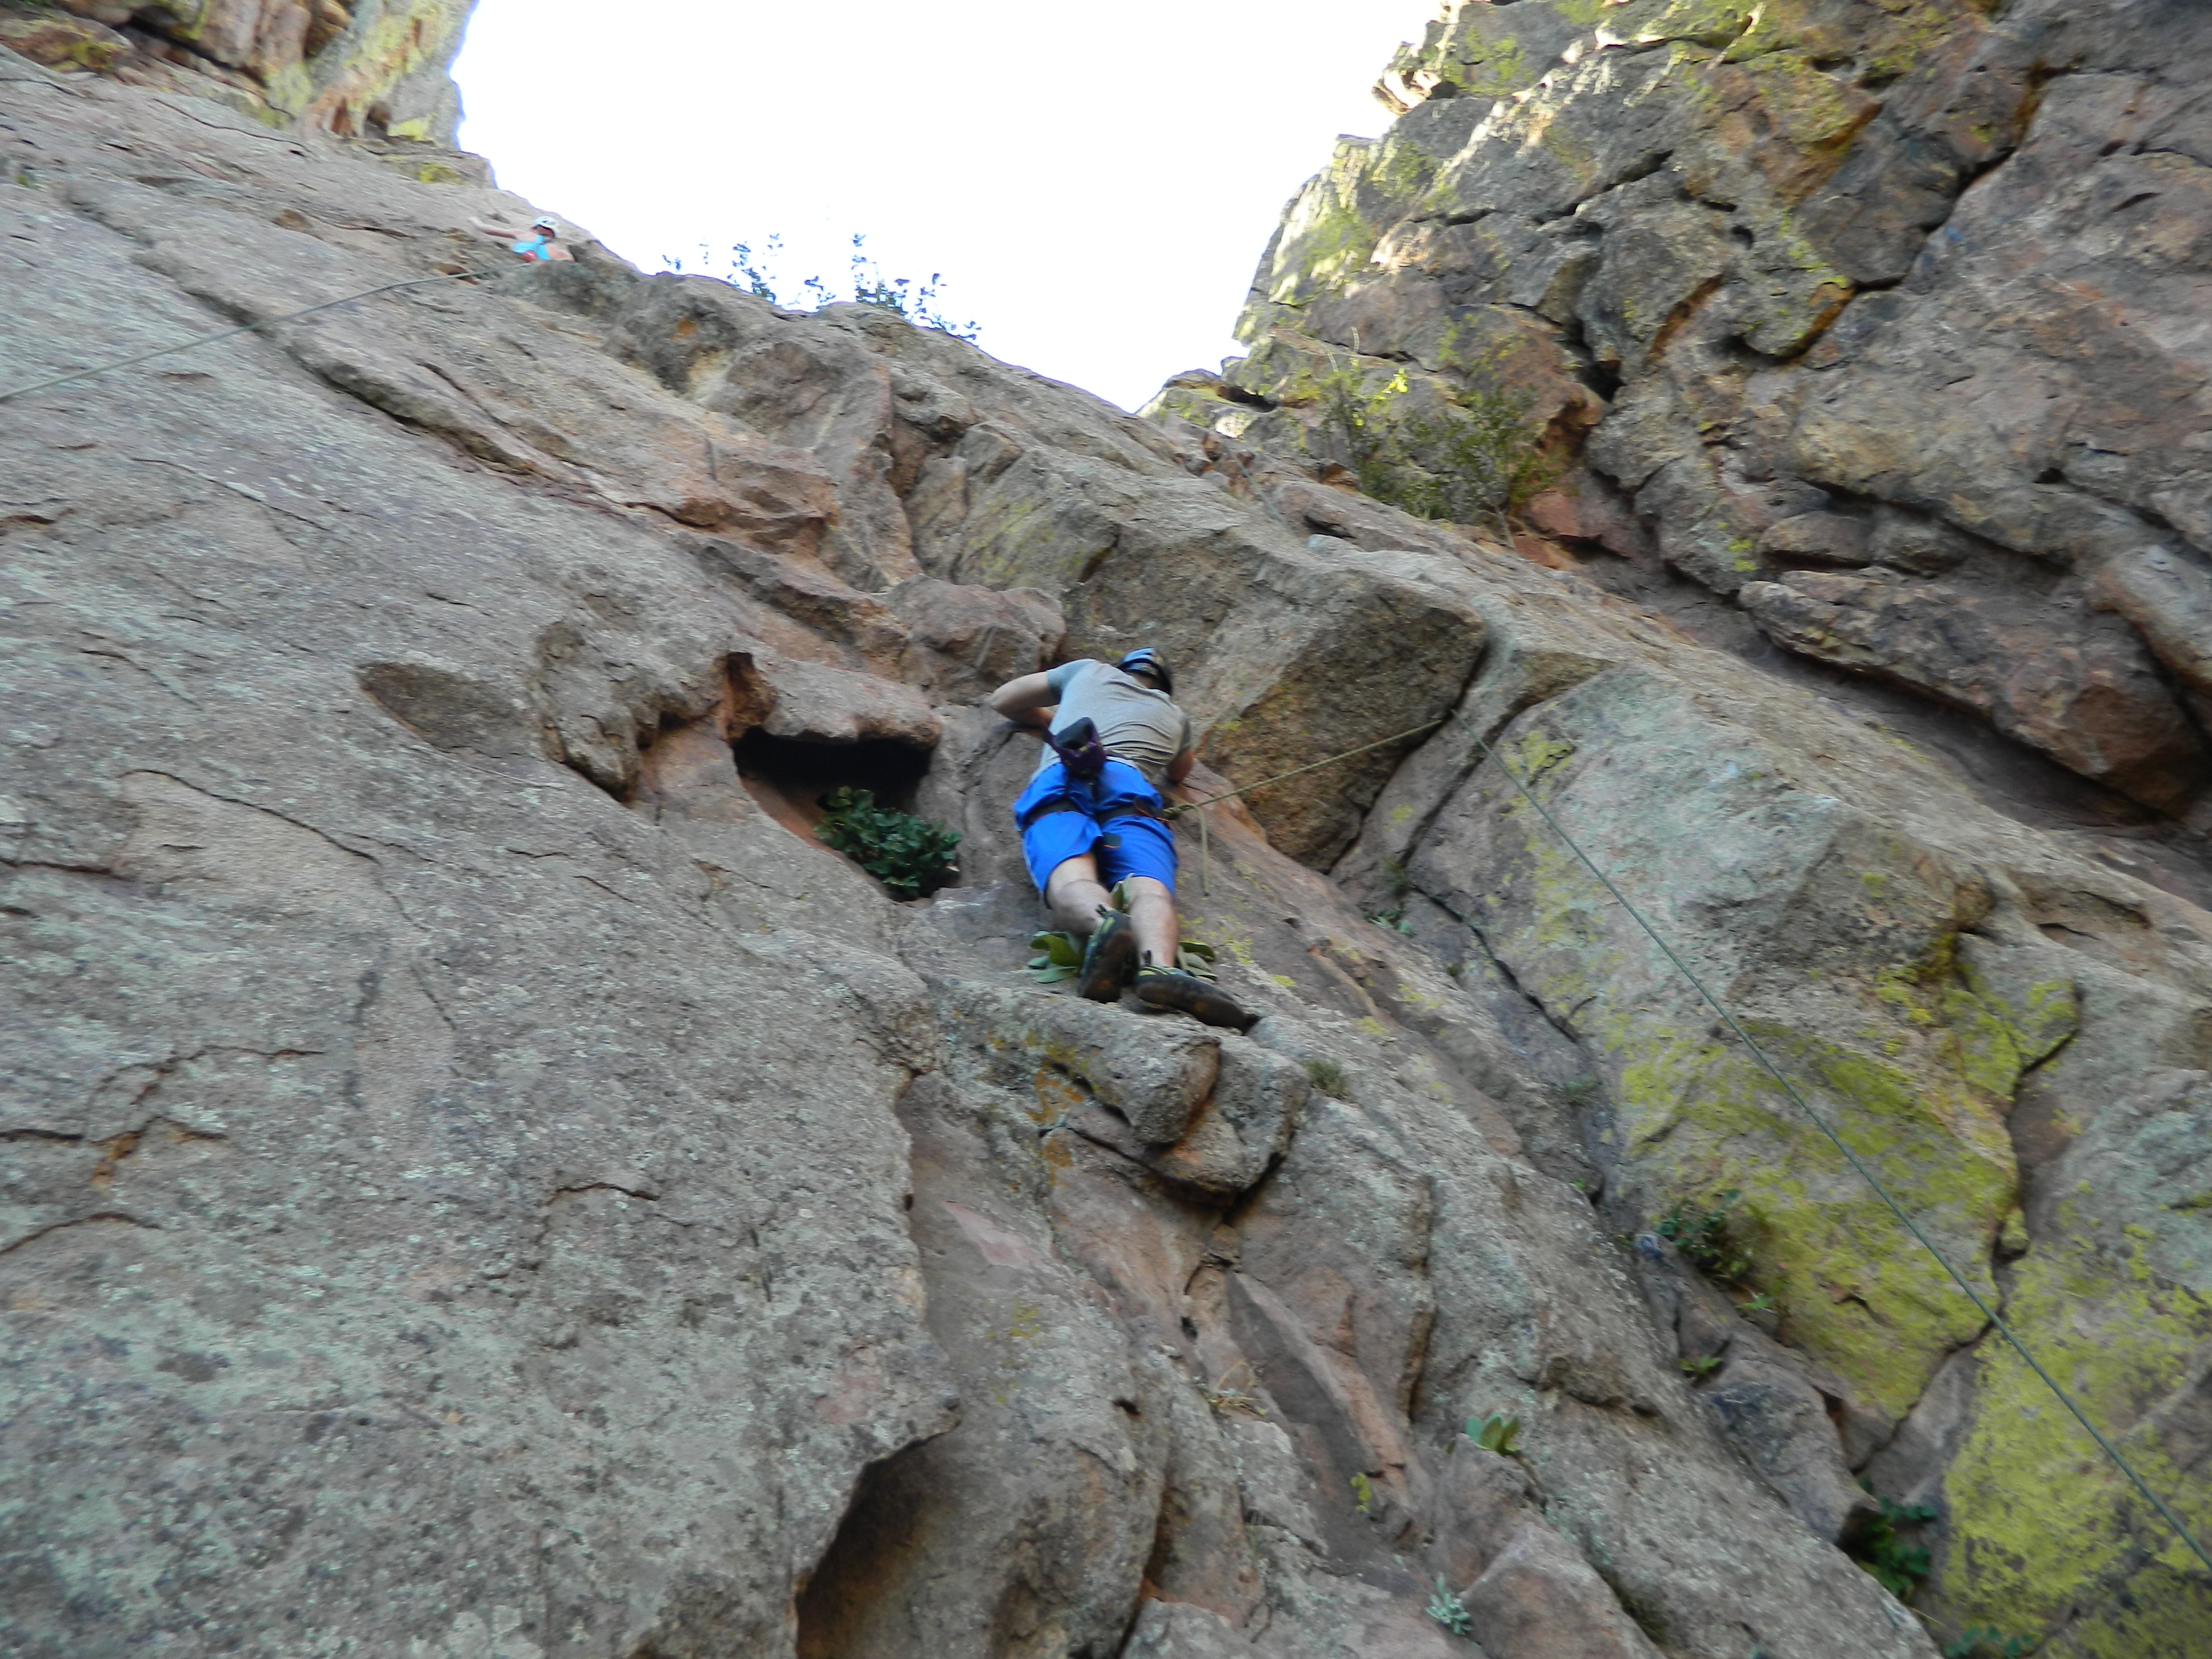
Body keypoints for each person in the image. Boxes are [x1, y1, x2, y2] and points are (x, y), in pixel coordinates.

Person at [989, 649, 1256, 1031]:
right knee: (1150, 891)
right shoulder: (1176, 717)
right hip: (1130, 790)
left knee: (1074, 879)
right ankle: (1158, 967)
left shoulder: (1087, 671)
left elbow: (1003, 699)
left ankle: (1106, 928)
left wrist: (1057, 722)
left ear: (1123, 669)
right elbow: (1180, 773)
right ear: (1164, 687)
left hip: (1065, 771)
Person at [467, 213, 573, 264]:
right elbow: (570, 261)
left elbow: (486, 229)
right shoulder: (560, 252)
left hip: (515, 262)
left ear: (534, 228)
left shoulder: (523, 234)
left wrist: (475, 221)